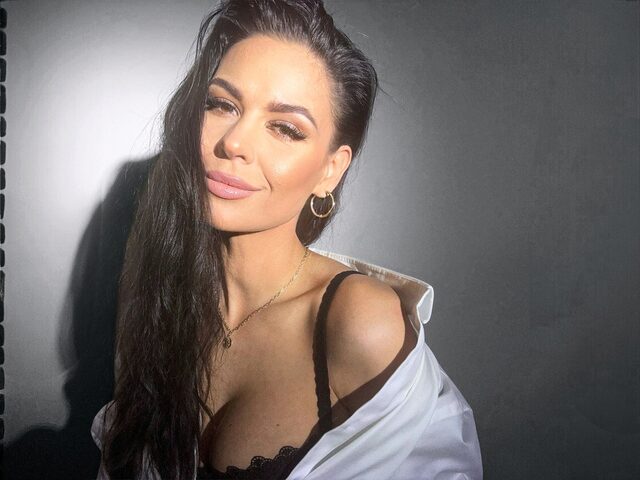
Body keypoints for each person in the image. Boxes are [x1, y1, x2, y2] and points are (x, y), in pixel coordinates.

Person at [90, 0, 482, 478]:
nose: (234, 142)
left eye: (285, 128)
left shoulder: (358, 321)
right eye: (221, 104)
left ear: (330, 170)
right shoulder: (157, 297)